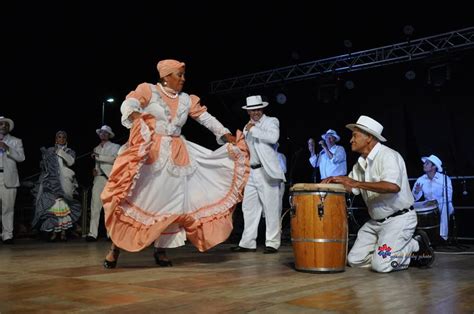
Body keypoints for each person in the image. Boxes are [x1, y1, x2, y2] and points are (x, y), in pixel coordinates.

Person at [102, 59, 249, 268]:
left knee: (171, 203)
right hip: (150, 154)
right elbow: (130, 103)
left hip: (178, 155)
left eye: (183, 75)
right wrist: (135, 114)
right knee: (138, 198)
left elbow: (205, 118)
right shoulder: (149, 90)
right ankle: (115, 248)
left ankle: (160, 250)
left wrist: (225, 134)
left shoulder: (186, 100)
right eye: (179, 75)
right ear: (166, 76)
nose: (183, 79)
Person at [323, 115, 434, 272]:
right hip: (376, 222)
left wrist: (356, 183)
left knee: (381, 266)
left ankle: (415, 244)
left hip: (399, 220)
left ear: (369, 137)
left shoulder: (389, 156)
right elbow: (351, 187)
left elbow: (392, 186)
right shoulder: (360, 163)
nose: (351, 140)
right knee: (354, 260)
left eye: (355, 136)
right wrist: (334, 180)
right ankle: (388, 253)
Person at [230, 95, 286, 254]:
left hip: (267, 171)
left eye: (258, 109)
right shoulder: (247, 126)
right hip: (253, 172)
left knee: (271, 208)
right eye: (252, 110)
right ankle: (247, 242)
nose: (255, 112)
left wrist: (253, 129)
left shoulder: (271, 121)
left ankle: (272, 243)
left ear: (262, 109)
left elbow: (273, 137)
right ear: (248, 111)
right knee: (249, 207)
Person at [32, 131, 81, 242]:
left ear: (66, 139)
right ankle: (54, 232)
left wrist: (59, 151)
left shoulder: (70, 151)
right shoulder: (49, 151)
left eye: (64, 137)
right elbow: (44, 166)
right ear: (56, 139)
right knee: (54, 207)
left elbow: (71, 162)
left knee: (64, 207)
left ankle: (63, 233)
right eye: (59, 137)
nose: (61, 139)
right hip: (52, 182)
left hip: (65, 183)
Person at [86, 125, 120, 242]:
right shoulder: (96, 148)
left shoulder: (115, 147)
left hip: (110, 179)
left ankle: (110, 234)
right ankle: (92, 233)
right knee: (95, 205)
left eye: (106, 133)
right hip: (99, 179)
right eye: (101, 132)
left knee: (110, 207)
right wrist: (95, 170)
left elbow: (114, 159)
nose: (103, 134)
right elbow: (97, 164)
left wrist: (99, 157)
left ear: (109, 135)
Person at [412, 154, 454, 241]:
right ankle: (420, 237)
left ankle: (442, 237)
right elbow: (415, 197)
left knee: (445, 206)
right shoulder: (421, 179)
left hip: (443, 204)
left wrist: (436, 203)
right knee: (413, 206)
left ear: (434, 166)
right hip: (428, 205)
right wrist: (417, 191)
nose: (424, 165)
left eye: (427, 163)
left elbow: (448, 197)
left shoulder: (444, 179)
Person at [0, 116, 25, 244]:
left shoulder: (16, 141)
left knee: (8, 208)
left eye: (6, 124)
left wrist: (8, 148)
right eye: (1, 124)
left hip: (9, 177)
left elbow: (21, 158)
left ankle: (7, 235)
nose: (3, 126)